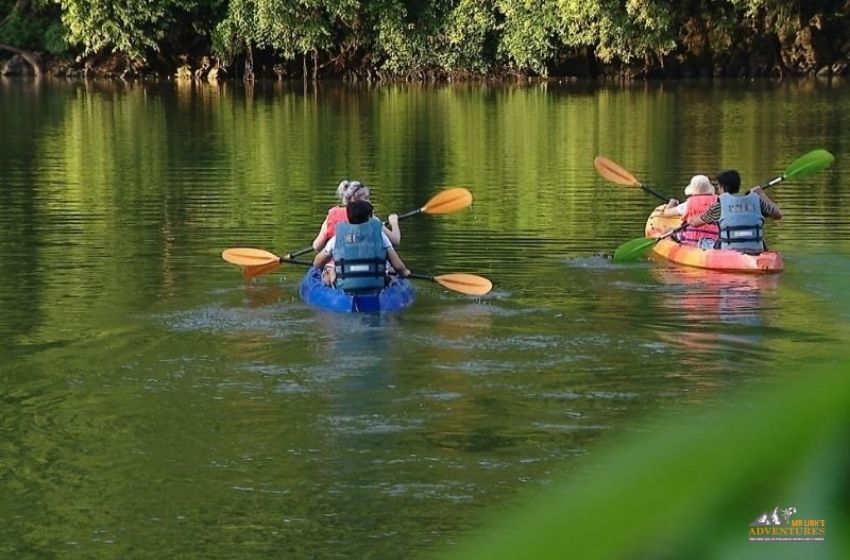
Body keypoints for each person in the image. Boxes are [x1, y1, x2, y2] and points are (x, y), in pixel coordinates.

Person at [313, 200, 411, 292]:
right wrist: (405, 272)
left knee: (330, 269)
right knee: (390, 272)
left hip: (345, 287)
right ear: (369, 218)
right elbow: (398, 266)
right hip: (376, 286)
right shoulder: (381, 236)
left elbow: (317, 262)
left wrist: (325, 268)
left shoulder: (338, 238)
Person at [687, 169, 782, 252]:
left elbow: (695, 223)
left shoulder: (720, 205)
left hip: (727, 250)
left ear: (721, 187)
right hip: (757, 248)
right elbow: (778, 215)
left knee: (703, 242)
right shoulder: (757, 201)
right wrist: (762, 195)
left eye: (718, 187)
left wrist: (688, 219)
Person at [311, 180, 400, 253]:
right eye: (366, 198)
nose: (369, 202)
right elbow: (395, 241)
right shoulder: (369, 217)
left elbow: (317, 246)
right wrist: (394, 222)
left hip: (337, 266)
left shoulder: (332, 216)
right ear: (354, 199)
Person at [660, 174, 719, 248]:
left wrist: (671, 202)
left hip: (691, 241)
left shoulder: (688, 204)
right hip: (712, 241)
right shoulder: (718, 202)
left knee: (667, 231)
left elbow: (666, 213)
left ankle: (676, 250)